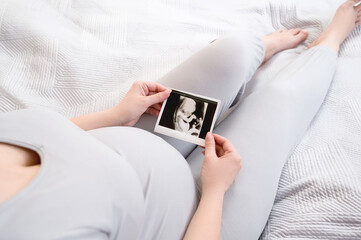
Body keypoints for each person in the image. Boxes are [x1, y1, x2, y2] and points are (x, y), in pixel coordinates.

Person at [0, 1, 360, 239]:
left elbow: (50, 139)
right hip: (197, 215)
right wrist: (216, 191)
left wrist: (115, 116)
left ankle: (257, 54)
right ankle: (329, 43)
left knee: (234, 51)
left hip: (129, 142)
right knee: (280, 101)